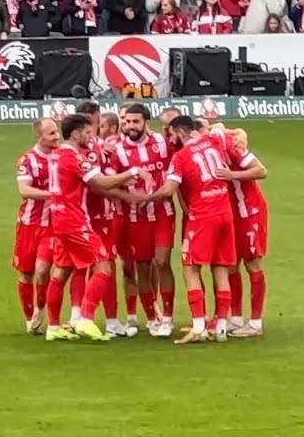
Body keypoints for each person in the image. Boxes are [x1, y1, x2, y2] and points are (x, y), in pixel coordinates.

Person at [130, 115, 236, 344]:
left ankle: (199, 326)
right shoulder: (214, 141)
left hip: (202, 216)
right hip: (225, 213)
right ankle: (221, 327)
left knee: (191, 269)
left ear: (180, 132)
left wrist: (147, 198)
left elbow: (168, 190)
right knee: (220, 268)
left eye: (171, 133)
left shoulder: (181, 157)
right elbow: (222, 127)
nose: (169, 137)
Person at [42, 112, 140, 342]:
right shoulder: (73, 157)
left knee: (62, 271)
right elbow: (99, 183)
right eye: (87, 133)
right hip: (74, 221)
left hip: (59, 219)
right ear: (76, 133)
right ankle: (85, 318)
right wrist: (131, 173)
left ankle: (53, 326)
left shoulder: (56, 156)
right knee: (103, 267)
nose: (90, 136)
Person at [105, 103, 178, 338]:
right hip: (135, 217)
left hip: (162, 212)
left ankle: (167, 317)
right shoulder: (117, 149)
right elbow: (109, 180)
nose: (130, 126)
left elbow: (193, 137)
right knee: (141, 268)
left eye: (135, 122)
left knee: (162, 262)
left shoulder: (162, 142)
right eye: (126, 122)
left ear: (146, 122)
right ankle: (152, 318)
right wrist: (125, 185)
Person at [216, 131, 270, 338]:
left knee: (252, 263)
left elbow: (261, 171)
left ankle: (255, 323)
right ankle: (237, 318)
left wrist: (232, 175)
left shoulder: (229, 146)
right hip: (231, 215)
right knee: (231, 265)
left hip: (249, 211)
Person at [13, 118, 59, 334]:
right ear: (39, 136)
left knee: (43, 270)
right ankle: (28, 317)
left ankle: (40, 310)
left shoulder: (62, 156)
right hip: (29, 224)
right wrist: (53, 195)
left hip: (52, 225)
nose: (56, 136)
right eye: (51, 133)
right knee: (26, 274)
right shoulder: (27, 160)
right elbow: (25, 190)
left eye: (56, 132)